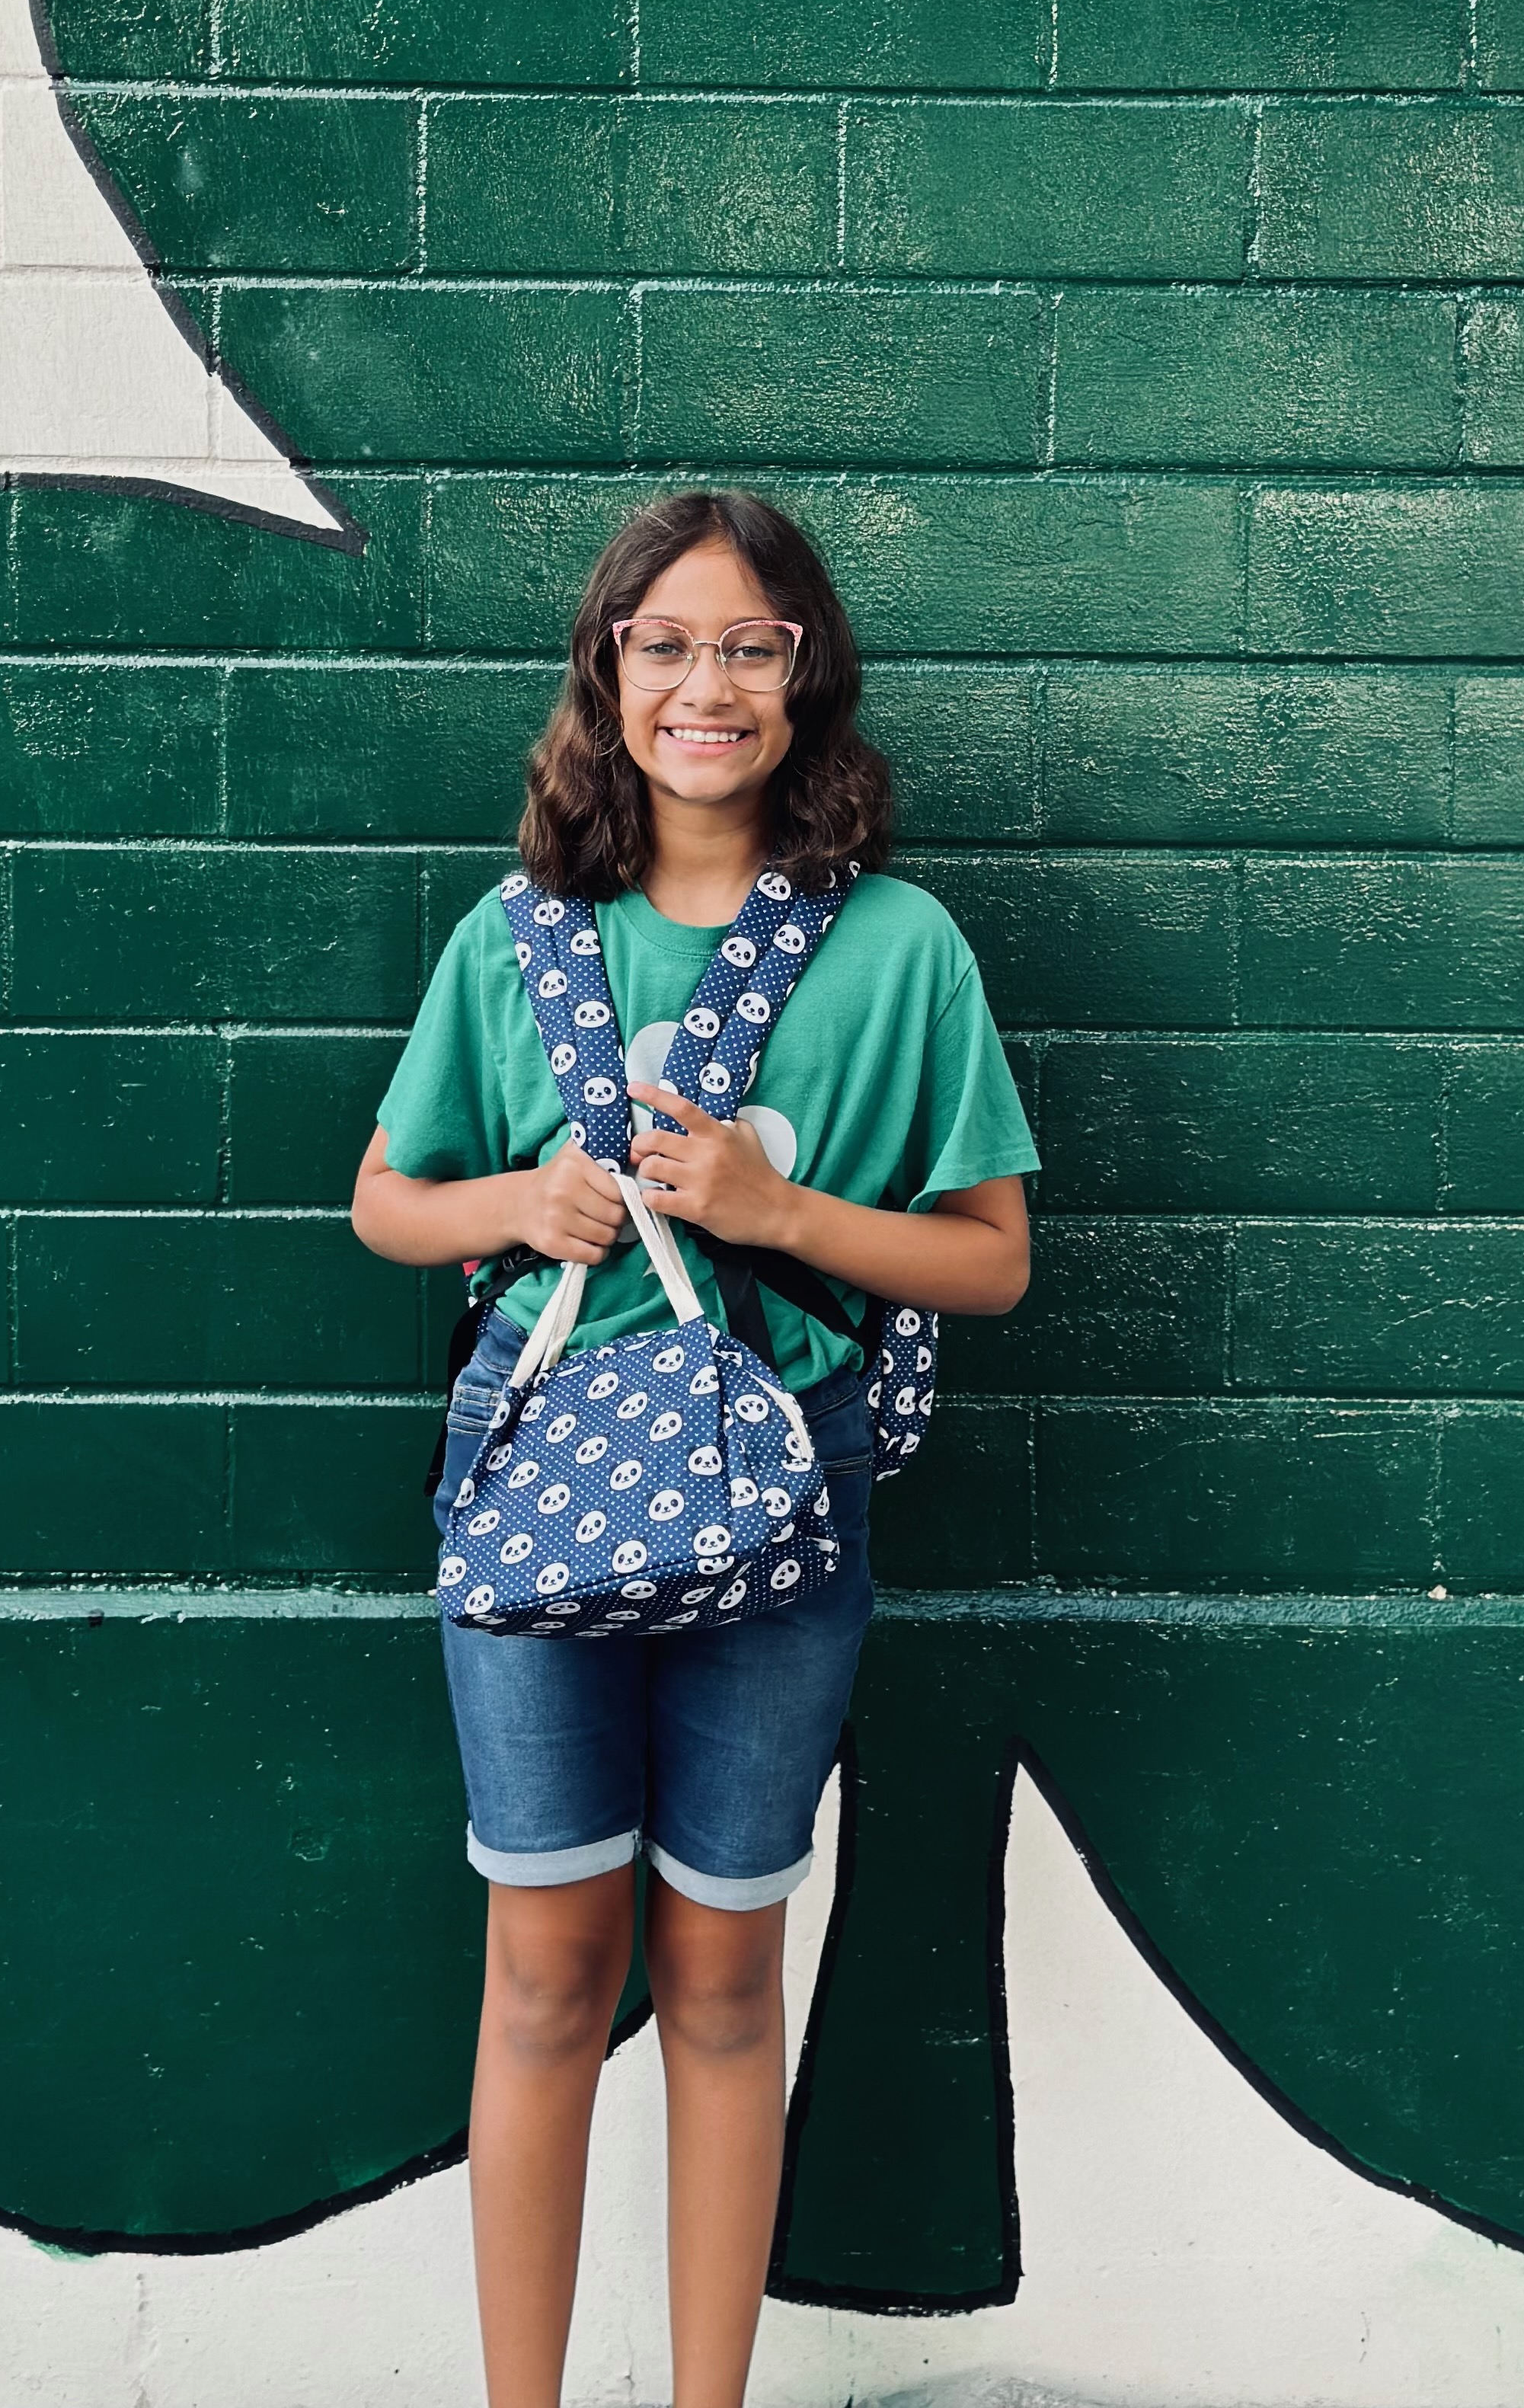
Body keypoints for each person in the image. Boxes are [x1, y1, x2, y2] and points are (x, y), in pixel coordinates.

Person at [351, 488, 1037, 2408]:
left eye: (752, 646)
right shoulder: (518, 942)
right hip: (544, 1493)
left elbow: (991, 1261)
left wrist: (776, 1207)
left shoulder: (899, 953)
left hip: (779, 1506)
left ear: (808, 680)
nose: (707, 686)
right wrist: (517, 1205)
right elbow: (384, 1204)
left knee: (729, 1980)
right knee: (548, 1974)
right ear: (609, 676)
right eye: (666, 646)